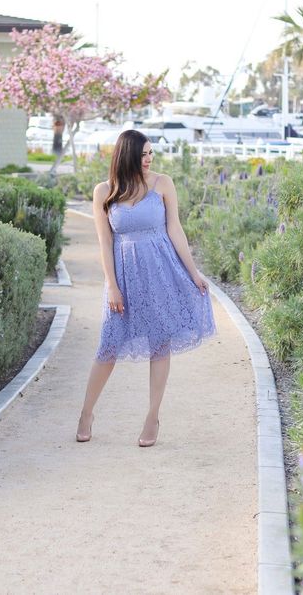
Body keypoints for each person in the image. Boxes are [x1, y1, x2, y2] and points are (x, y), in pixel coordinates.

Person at [76, 130, 216, 447]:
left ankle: (152, 417)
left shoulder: (162, 183)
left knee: (159, 344)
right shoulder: (104, 192)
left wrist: (193, 272)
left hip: (161, 272)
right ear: (127, 156)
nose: (149, 159)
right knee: (108, 346)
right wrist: (112, 286)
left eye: (151, 153)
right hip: (124, 276)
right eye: (143, 154)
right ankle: (86, 413)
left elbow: (175, 229)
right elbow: (105, 242)